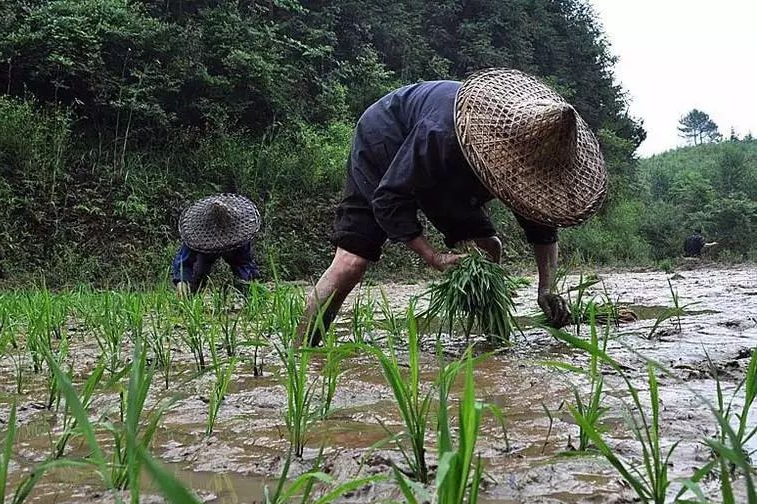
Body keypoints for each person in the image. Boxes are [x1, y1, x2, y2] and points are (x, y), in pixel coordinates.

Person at [298, 69, 609, 343]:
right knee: (351, 263)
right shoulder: (441, 133)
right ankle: (301, 351)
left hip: (450, 168)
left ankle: (493, 339)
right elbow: (389, 197)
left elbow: (542, 229)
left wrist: (546, 288)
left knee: (488, 248)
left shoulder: (532, 158)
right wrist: (433, 256)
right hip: (387, 136)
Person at [171, 193, 262, 294]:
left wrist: (252, 283)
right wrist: (181, 279)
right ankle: (191, 296)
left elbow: (245, 262)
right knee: (197, 274)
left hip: (234, 247)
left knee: (245, 280)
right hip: (205, 248)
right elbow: (184, 261)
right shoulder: (197, 234)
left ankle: (245, 295)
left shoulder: (240, 232)